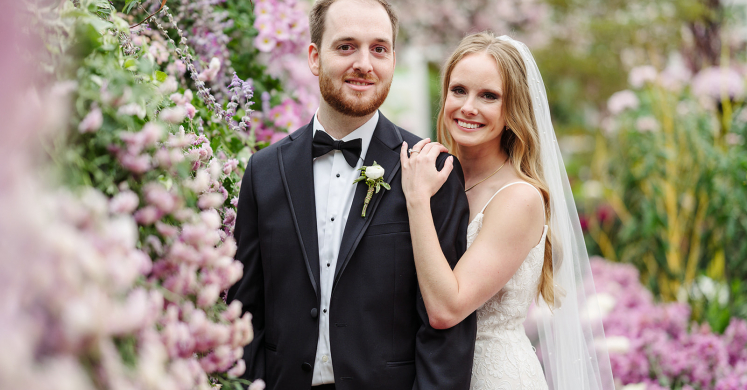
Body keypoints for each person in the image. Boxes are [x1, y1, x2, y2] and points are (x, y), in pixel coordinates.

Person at [226, 0, 477, 389]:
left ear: (393, 59)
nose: (365, 63)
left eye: (379, 49)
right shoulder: (263, 172)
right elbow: (244, 311)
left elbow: (445, 334)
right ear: (314, 57)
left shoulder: (433, 170)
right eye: (346, 47)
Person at [400, 33, 614, 390]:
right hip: (434, 373)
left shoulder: (519, 198)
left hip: (493, 376)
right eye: (458, 90)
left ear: (512, 110)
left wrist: (417, 201)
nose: (468, 107)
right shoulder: (438, 178)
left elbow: (445, 308)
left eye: (489, 96)